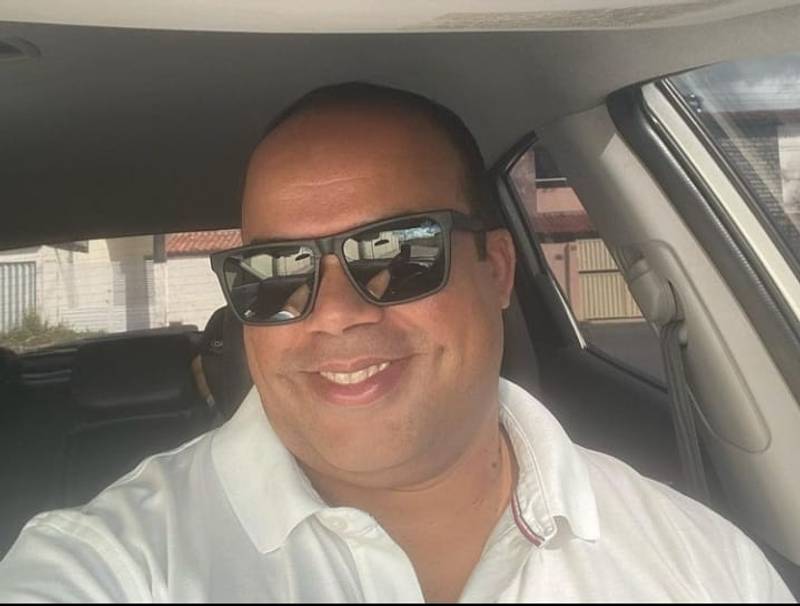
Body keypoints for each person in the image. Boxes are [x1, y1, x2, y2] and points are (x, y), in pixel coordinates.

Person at [0, 82, 793, 603]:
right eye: (276, 274)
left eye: (398, 254)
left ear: (496, 269)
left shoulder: (702, 567)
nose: (335, 314)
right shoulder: (115, 565)